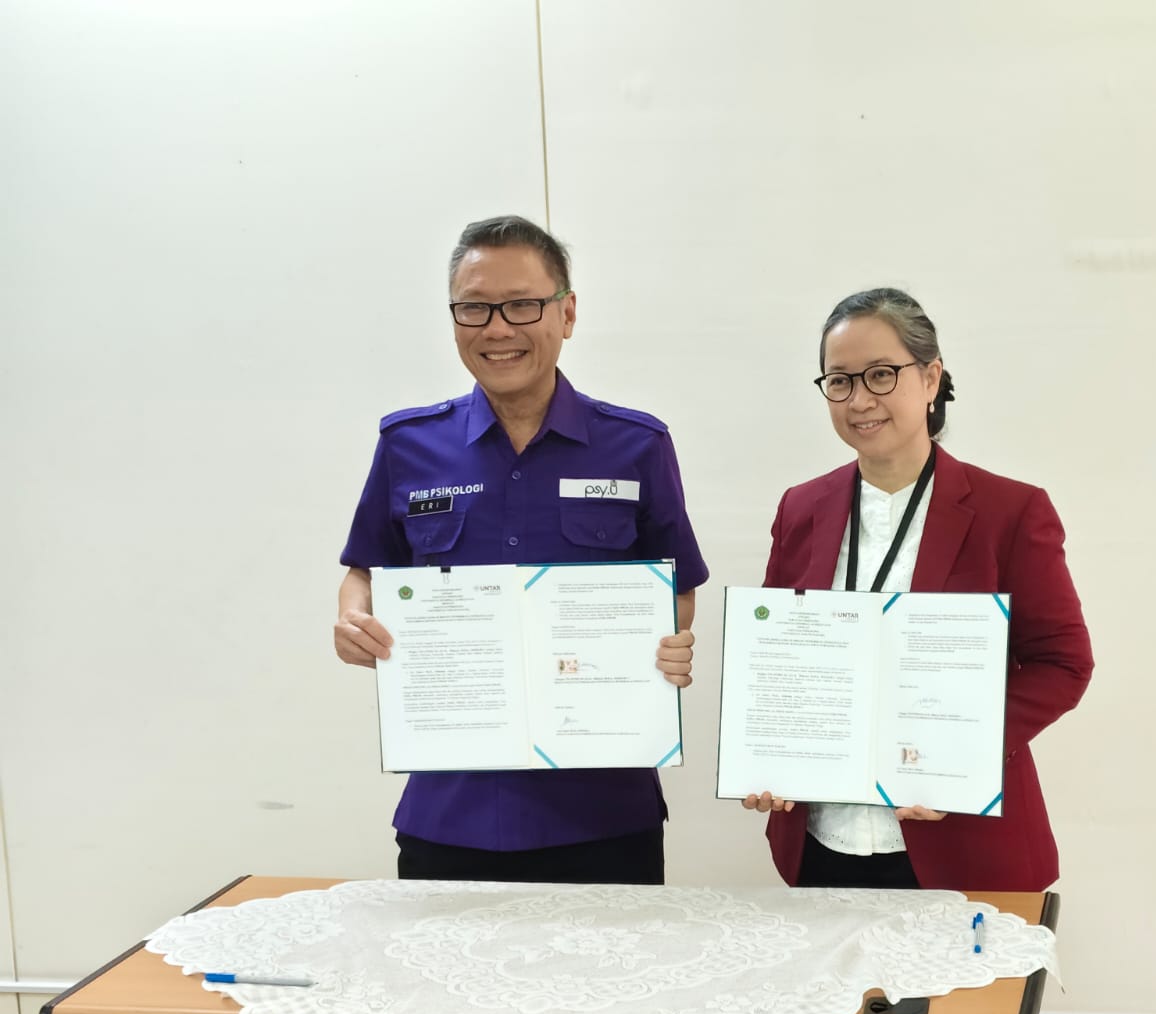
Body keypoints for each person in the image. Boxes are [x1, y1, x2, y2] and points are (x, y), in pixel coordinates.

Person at [335, 216, 708, 884]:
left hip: (602, 814)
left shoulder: (636, 446)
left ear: (567, 313)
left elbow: (676, 587)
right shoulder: (408, 446)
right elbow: (365, 569)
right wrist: (353, 618)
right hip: (450, 811)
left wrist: (665, 639)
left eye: (522, 305)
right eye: (474, 308)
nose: (497, 328)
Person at [743, 288, 1093, 892]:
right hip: (823, 841)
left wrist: (960, 754)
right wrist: (770, 754)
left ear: (931, 379)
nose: (860, 400)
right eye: (840, 381)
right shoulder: (801, 507)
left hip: (961, 842)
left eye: (882, 374)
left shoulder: (1010, 511)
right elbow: (782, 658)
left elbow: (1063, 664)